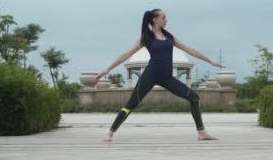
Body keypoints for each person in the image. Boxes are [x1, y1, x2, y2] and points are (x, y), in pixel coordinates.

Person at [95, 9, 224, 142]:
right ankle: (110, 132)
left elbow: (190, 50)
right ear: (155, 19)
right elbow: (126, 54)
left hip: (167, 77)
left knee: (194, 98)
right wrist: (107, 69)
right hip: (150, 75)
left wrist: (210, 61)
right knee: (131, 104)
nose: (166, 20)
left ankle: (202, 133)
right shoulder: (146, 37)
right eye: (163, 17)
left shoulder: (169, 37)